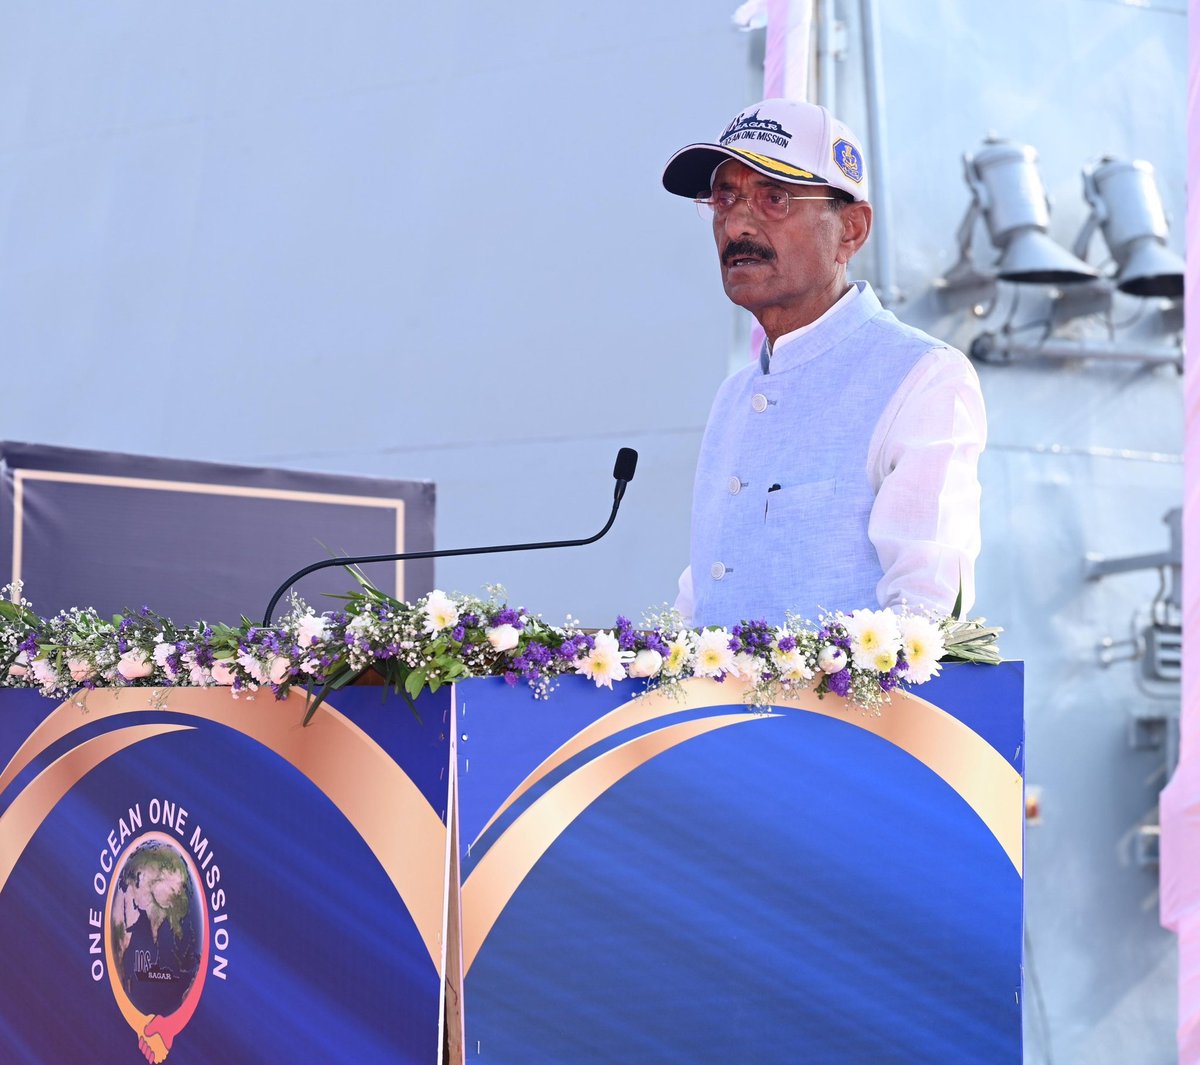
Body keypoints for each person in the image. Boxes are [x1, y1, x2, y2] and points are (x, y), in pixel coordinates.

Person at [662, 98, 986, 629]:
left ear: (850, 231)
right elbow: (704, 597)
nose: (736, 223)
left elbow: (923, 616)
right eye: (724, 198)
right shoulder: (734, 396)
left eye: (773, 198)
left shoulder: (920, 376)